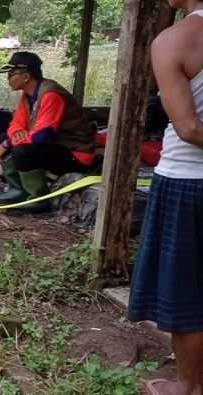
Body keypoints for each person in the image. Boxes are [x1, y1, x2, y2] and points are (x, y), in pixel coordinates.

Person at [127, 2, 203, 394]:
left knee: (188, 292)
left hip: (188, 181)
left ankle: (189, 386)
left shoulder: (175, 40)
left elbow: (189, 127)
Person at [0, 52, 96, 215]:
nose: (8, 78)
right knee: (2, 140)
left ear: (25, 76)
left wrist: (10, 143)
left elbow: (42, 135)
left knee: (20, 149)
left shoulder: (50, 94)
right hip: (52, 146)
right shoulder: (27, 96)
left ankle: (38, 199)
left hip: (74, 154)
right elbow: (16, 123)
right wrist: (13, 136)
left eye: (11, 74)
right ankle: (18, 190)